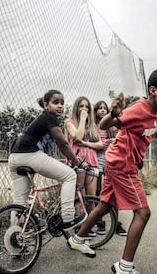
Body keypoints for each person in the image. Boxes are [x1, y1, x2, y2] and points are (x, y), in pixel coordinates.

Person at [68, 68, 157, 274]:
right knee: (143, 213)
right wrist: (113, 113)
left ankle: (78, 238)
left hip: (117, 161)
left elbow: (150, 127)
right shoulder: (139, 108)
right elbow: (105, 123)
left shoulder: (154, 110)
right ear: (153, 90)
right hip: (122, 164)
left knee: (105, 204)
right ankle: (124, 266)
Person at [8, 89, 89, 232]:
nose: (60, 106)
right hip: (30, 154)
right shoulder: (49, 117)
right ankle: (68, 218)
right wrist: (78, 163)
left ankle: (15, 238)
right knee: (70, 175)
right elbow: (63, 144)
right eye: (55, 102)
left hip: (15, 157)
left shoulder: (46, 118)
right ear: (46, 105)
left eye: (62, 103)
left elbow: (60, 145)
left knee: (20, 200)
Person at [65, 96, 103, 236]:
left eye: (87, 107)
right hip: (78, 161)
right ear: (76, 107)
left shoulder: (92, 126)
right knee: (78, 195)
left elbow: (100, 144)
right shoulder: (70, 122)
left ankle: (88, 227)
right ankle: (78, 226)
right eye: (81, 106)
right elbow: (76, 137)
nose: (84, 109)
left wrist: (86, 144)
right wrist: (81, 119)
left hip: (93, 162)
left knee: (90, 197)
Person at [93, 100, 127, 236]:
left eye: (104, 108)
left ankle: (116, 223)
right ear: (95, 111)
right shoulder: (93, 126)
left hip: (111, 158)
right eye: (99, 108)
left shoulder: (112, 126)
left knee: (113, 191)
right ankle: (99, 222)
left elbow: (120, 135)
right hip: (97, 158)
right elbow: (95, 143)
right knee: (98, 192)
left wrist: (114, 140)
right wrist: (103, 143)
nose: (102, 110)